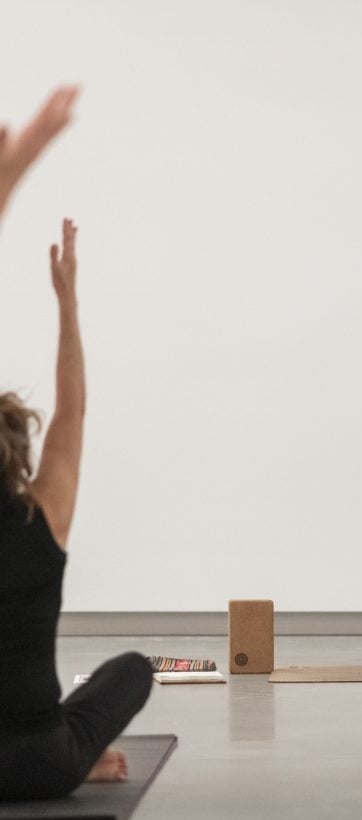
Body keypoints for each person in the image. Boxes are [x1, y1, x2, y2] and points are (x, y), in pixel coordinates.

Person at [0, 91, 152, 801]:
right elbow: (75, 409)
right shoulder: (42, 518)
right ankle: (79, 747)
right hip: (43, 762)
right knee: (132, 669)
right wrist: (68, 303)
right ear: (19, 455)